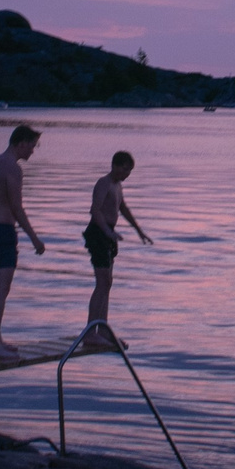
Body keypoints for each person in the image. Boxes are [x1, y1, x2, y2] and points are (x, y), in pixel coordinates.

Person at [0, 124, 45, 357]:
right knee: (1, 287)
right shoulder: (12, 169)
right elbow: (17, 207)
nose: (33, 151)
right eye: (32, 146)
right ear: (21, 143)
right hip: (2, 231)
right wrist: (35, 238)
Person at [79, 149, 153, 348]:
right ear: (115, 166)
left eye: (129, 172)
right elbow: (95, 211)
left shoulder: (118, 185)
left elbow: (123, 208)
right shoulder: (104, 183)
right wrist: (107, 232)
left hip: (109, 234)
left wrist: (140, 231)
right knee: (102, 283)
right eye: (125, 171)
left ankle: (103, 330)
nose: (127, 175)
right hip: (98, 233)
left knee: (107, 283)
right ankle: (89, 333)